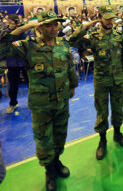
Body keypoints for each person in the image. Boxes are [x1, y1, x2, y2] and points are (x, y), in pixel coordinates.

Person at [0, 11, 78, 191]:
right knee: (44, 141)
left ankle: (56, 161)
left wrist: (72, 86)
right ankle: (49, 172)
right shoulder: (28, 46)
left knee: (60, 137)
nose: (53, 28)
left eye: (56, 24)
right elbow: (2, 49)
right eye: (49, 25)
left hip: (61, 102)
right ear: (40, 27)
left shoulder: (63, 45)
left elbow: (69, 68)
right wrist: (23, 27)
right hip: (41, 104)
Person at [68, 5, 123, 160]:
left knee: (118, 109)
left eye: (112, 18)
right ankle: (102, 140)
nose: (110, 21)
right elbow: (72, 41)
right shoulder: (94, 37)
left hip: (117, 80)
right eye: (107, 18)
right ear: (100, 18)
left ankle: (117, 133)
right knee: (102, 112)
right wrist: (87, 25)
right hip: (102, 81)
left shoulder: (118, 36)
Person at [3, 14, 33, 113]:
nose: (12, 23)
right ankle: (13, 103)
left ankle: (33, 102)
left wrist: (21, 30)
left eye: (14, 21)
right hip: (12, 61)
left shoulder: (26, 29)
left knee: (31, 82)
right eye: (10, 21)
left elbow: (30, 40)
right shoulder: (4, 31)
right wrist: (11, 31)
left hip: (25, 60)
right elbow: (5, 41)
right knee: (13, 84)